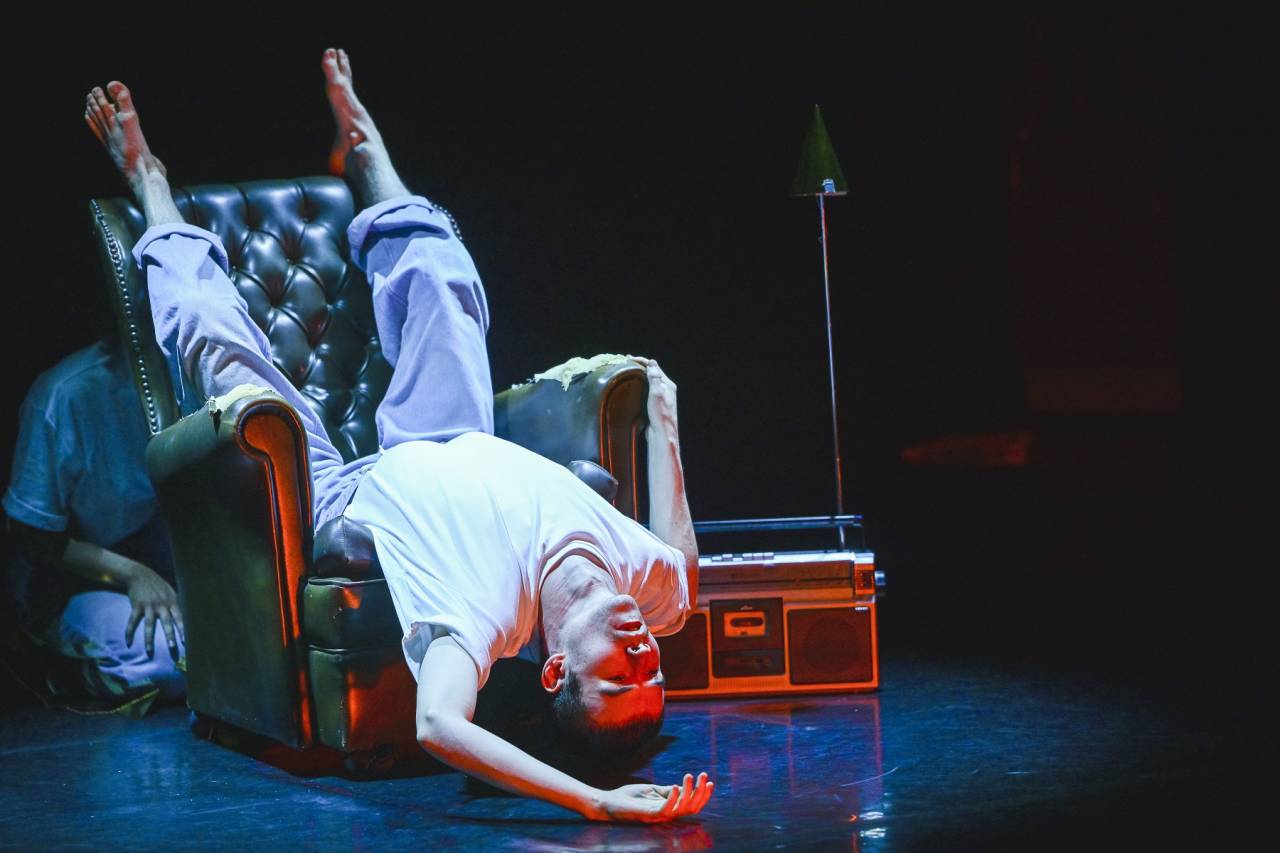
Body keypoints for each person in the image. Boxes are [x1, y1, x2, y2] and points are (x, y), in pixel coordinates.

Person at [82, 48, 713, 822]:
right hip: (447, 435)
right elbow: (685, 572)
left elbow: (438, 724)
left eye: (619, 677)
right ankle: (368, 158)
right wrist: (664, 422)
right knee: (449, 285)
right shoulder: (639, 576)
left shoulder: (481, 614)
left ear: (553, 670)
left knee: (223, 353)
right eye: (655, 673)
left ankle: (151, 192)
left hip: (346, 499)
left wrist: (595, 802)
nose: (645, 658)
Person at [4, 339, 185, 705]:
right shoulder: (67, 392)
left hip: (161, 564)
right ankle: (60, 673)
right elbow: (30, 534)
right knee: (167, 664)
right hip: (67, 580)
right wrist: (133, 574)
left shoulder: (194, 374)